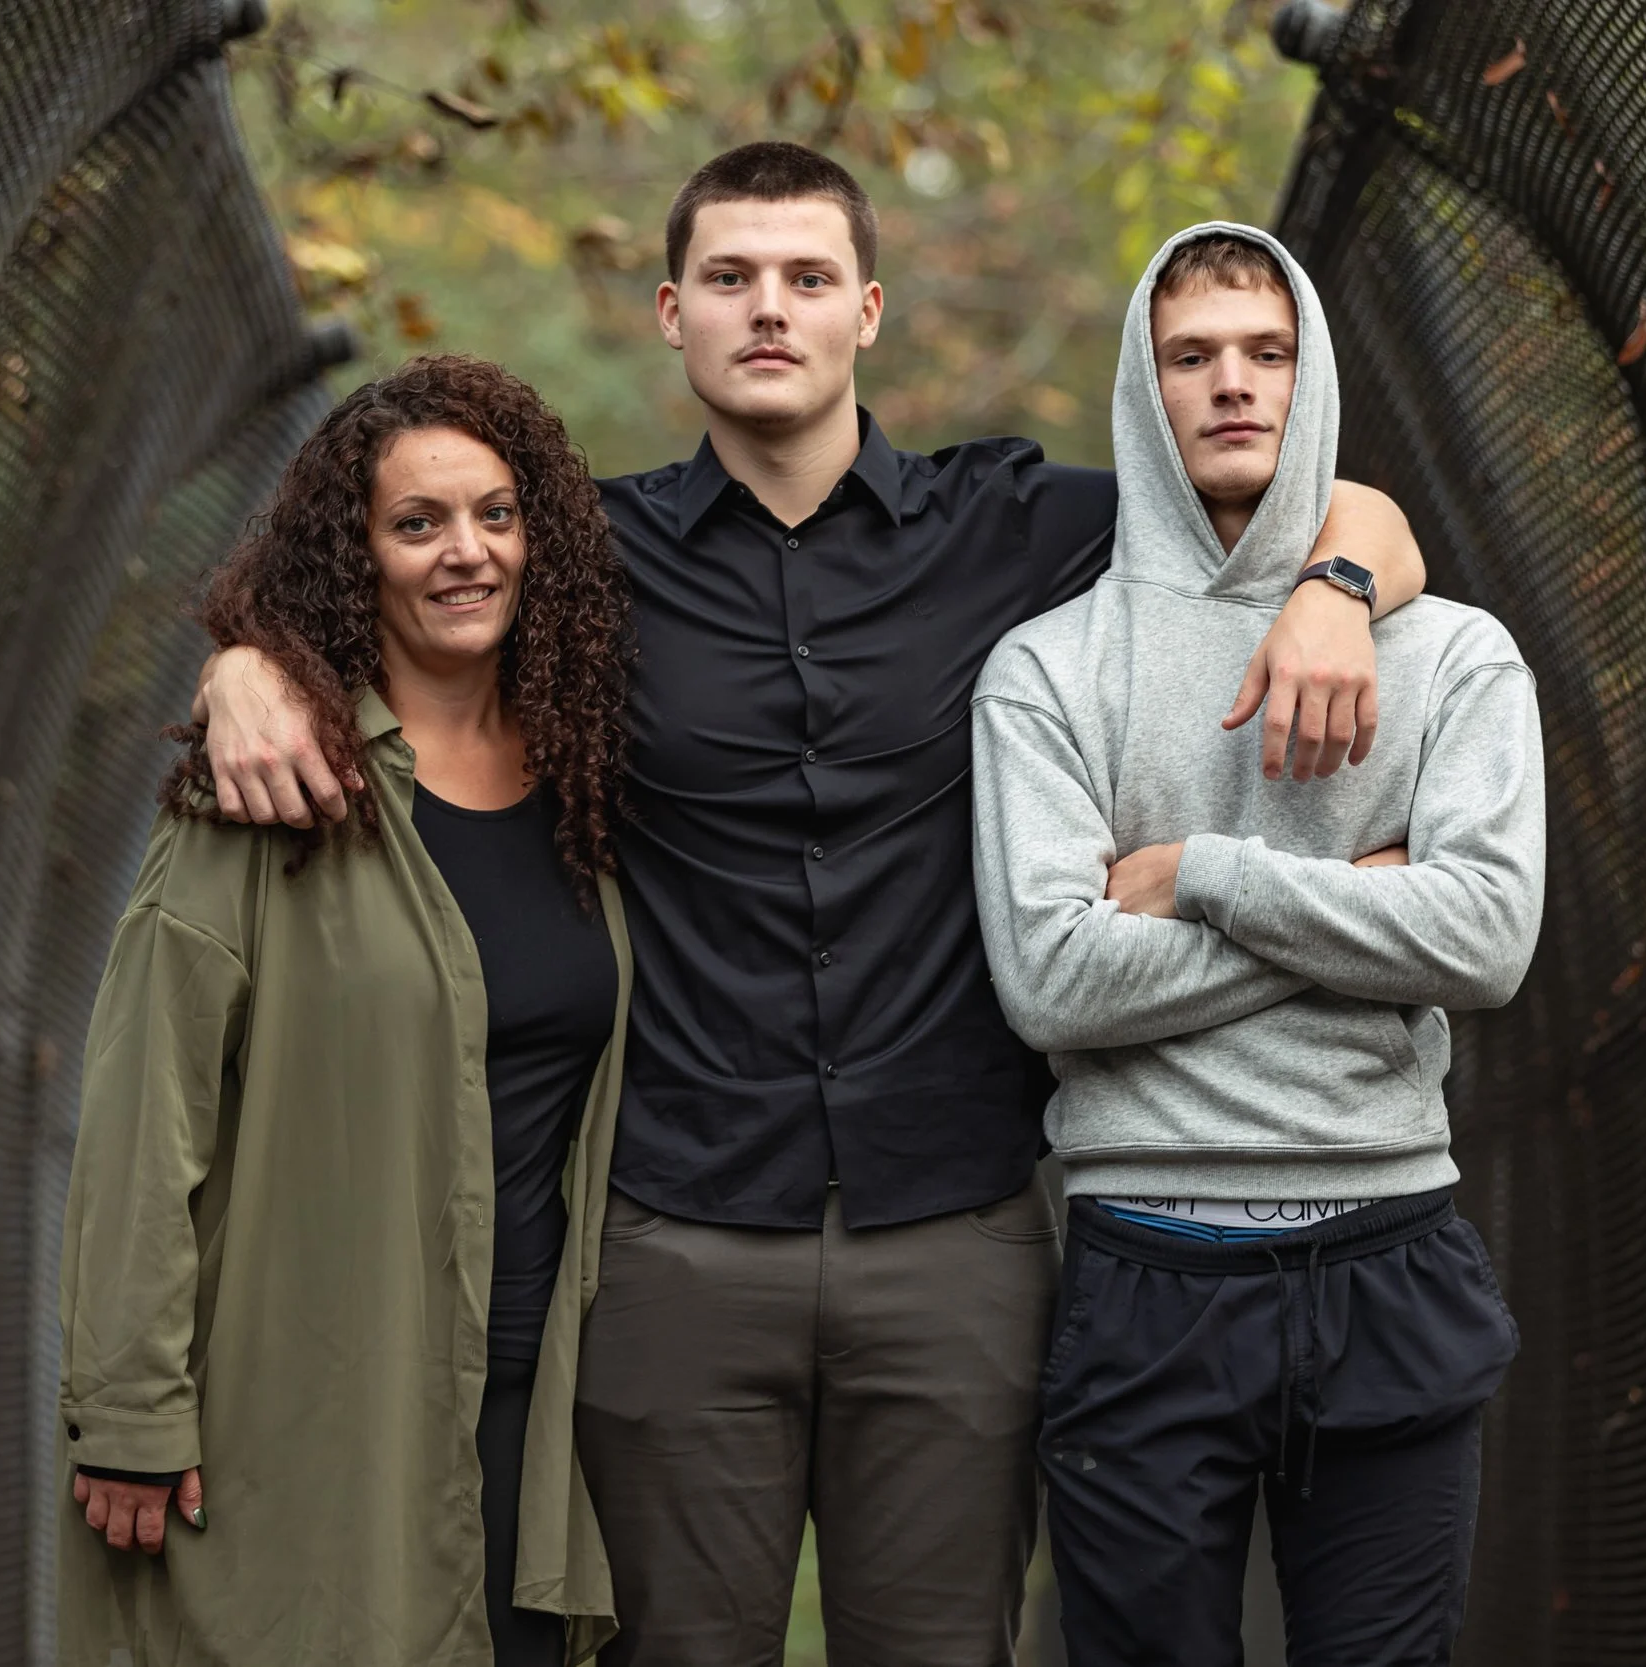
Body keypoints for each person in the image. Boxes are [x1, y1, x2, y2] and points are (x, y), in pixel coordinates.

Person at [193, 145, 1431, 1664]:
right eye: (729, 278)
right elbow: (369, 588)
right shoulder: (583, 558)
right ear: (672, 313)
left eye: (805, 277)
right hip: (675, 1237)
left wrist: (1335, 591)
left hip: (956, 1235)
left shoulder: (1018, 523)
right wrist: (244, 663)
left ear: (868, 310)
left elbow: (1325, 498)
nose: (767, 308)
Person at [969, 223, 1543, 1665]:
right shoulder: (1050, 669)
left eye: (1268, 352)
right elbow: (1054, 980)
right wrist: (1363, 902)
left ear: (1313, 376)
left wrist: (1203, 877)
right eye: (1193, 355)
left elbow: (1485, 940)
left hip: (1390, 1242)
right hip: (1143, 1265)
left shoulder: (1455, 655)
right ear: (1143, 386)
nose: (1233, 382)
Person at [53, 355, 633, 1666]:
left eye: (495, 514)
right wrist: (127, 1407)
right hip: (306, 1403)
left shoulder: (585, 784)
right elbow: (146, 1114)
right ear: (353, 554)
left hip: (534, 1412)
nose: (466, 551)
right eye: (417, 523)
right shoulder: (265, 786)